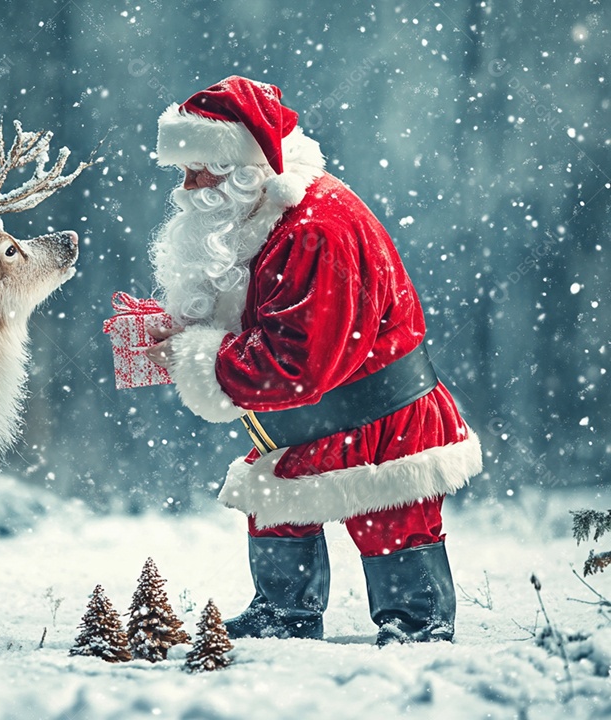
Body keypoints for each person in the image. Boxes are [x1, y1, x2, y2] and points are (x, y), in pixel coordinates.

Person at [144, 76, 482, 645]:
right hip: (316, 417)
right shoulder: (267, 213)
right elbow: (271, 315)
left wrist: (194, 355)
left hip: (382, 418)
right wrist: (195, 326)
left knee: (392, 520)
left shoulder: (316, 229)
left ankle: (419, 628)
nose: (187, 186)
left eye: (198, 168)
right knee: (275, 499)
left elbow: (293, 363)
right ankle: (284, 614)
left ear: (242, 165)